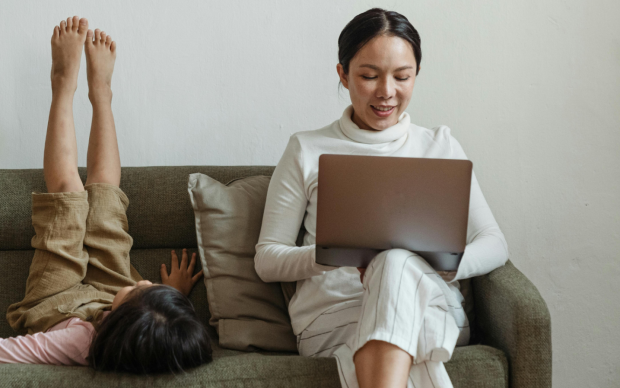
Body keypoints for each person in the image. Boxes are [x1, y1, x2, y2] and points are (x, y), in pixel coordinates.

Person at [255, 8, 509, 388]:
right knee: (390, 266)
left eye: (402, 76)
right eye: (369, 76)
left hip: (430, 307)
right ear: (342, 74)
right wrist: (334, 255)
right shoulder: (306, 149)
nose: (386, 91)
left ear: (416, 74)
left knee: (394, 262)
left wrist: (438, 266)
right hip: (334, 316)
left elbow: (495, 243)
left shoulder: (440, 145)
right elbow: (267, 259)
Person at [0, 16, 212, 374]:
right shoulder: (142, 324)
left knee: (68, 194)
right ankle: (101, 95)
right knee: (105, 198)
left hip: (58, 303)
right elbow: (167, 337)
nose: (146, 281)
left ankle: (62, 85)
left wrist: (149, 299)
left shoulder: (77, 342)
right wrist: (170, 298)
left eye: (145, 288)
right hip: (114, 293)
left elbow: (7, 352)